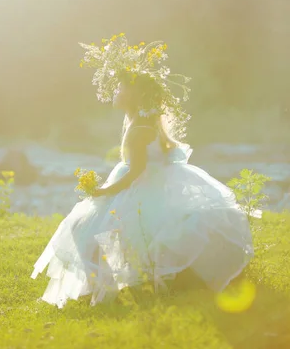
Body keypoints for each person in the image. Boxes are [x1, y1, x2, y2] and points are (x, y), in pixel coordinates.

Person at [31, 35, 254, 308]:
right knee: (114, 231)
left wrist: (103, 191)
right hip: (157, 182)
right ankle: (118, 282)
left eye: (120, 88)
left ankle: (109, 285)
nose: (114, 92)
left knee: (89, 228)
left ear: (133, 96)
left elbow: (136, 171)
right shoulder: (146, 123)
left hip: (139, 185)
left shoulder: (138, 131)